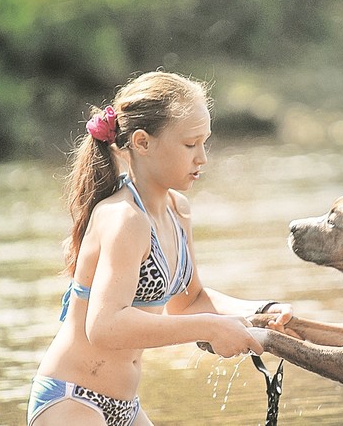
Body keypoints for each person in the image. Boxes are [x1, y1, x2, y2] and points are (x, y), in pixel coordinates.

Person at [27, 71, 293, 426]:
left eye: (205, 143)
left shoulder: (177, 209)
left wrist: (262, 311)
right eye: (189, 145)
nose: (203, 158)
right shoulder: (125, 219)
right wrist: (210, 328)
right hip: (72, 400)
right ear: (142, 142)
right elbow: (105, 326)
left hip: (127, 407)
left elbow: (190, 300)